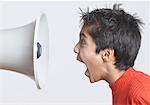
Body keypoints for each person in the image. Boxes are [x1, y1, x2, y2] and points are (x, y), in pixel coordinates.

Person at [74, 4, 150, 105]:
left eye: (83, 42)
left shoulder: (139, 93)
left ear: (107, 54)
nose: (76, 48)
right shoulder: (122, 89)